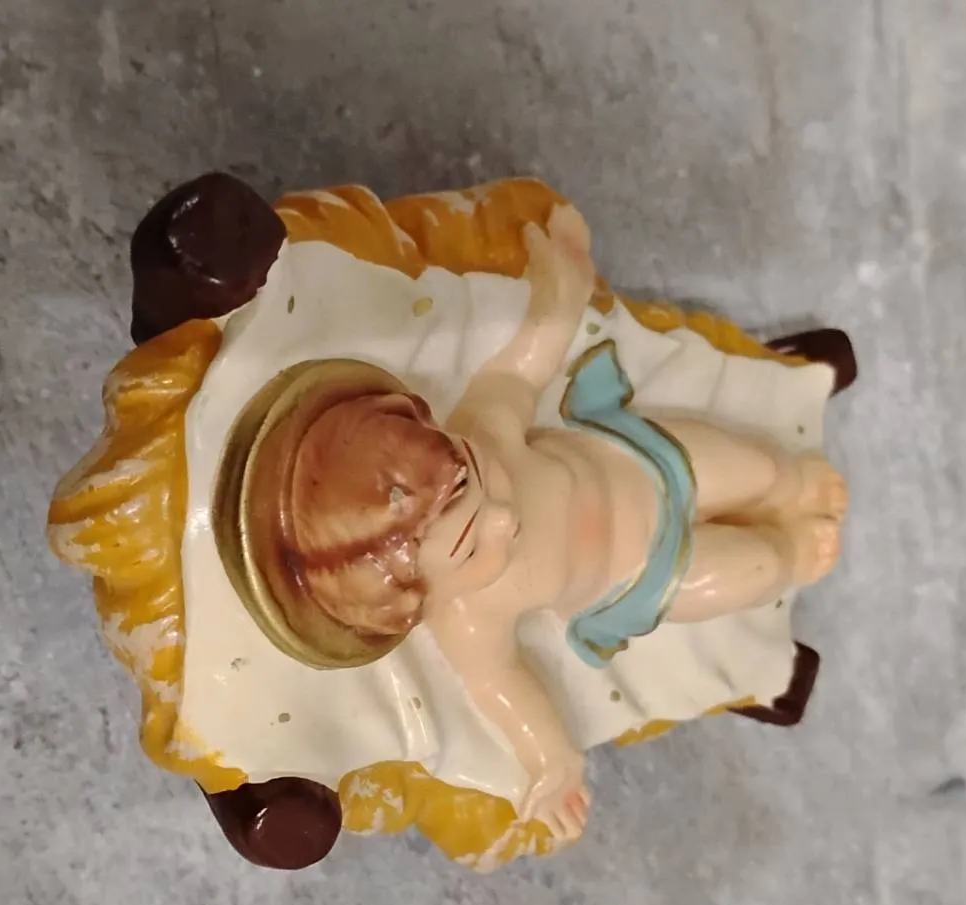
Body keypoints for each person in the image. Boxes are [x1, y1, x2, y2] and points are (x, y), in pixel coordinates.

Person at [279, 204, 847, 840]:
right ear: (420, 600)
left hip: (643, 462)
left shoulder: (483, 430)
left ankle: (792, 486)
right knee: (758, 570)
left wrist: (560, 297)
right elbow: (502, 685)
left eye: (480, 483)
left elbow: (521, 370)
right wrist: (551, 760)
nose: (504, 518)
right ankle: (790, 552)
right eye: (472, 550)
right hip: (641, 578)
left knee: (762, 468)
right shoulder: (466, 618)